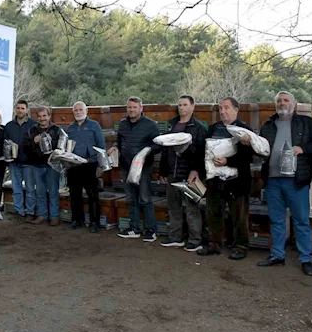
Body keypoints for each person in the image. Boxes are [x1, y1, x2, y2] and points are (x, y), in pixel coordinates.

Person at [256, 91, 312, 276]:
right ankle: (277, 255)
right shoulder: (268, 124)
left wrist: (303, 148)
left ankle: (306, 259)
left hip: (297, 180)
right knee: (276, 219)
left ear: (294, 104)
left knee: (301, 220)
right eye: (279, 101)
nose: (282, 103)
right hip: (273, 180)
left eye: (286, 100)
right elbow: (261, 149)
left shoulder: (306, 123)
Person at [194, 97, 254, 260]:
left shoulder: (244, 130)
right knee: (213, 213)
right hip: (215, 180)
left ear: (236, 110)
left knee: (239, 215)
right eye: (220, 108)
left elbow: (249, 157)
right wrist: (199, 171)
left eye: (226, 108)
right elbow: (203, 151)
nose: (223, 111)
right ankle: (214, 244)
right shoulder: (213, 128)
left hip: (237, 181)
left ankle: (240, 246)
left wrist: (229, 161)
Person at [158, 95, 207, 252]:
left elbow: (202, 153)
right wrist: (163, 170)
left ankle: (195, 240)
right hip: (172, 172)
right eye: (179, 105)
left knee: (192, 208)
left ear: (192, 107)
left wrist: (196, 170)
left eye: (185, 105)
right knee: (173, 207)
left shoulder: (199, 129)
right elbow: (165, 150)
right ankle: (175, 237)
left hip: (190, 175)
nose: (181, 107)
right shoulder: (172, 125)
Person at [114, 97, 161, 242]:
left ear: (141, 108)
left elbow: (158, 145)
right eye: (129, 107)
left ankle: (151, 231)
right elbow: (119, 142)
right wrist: (115, 148)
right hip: (126, 167)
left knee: (145, 199)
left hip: (143, 168)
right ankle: (134, 228)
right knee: (131, 199)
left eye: (134, 107)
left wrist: (147, 150)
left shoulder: (151, 125)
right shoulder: (122, 124)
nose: (131, 110)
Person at [66, 101, 105, 233]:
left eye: (80, 110)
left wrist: (100, 166)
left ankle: (95, 223)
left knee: (92, 195)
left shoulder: (95, 126)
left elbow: (101, 146)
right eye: (75, 110)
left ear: (86, 111)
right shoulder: (70, 128)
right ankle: (77, 220)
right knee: (74, 194)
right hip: (73, 165)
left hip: (91, 164)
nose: (78, 112)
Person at [24, 106, 63, 226]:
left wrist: (53, 142)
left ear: (49, 116)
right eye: (39, 116)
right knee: (40, 192)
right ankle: (42, 215)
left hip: (52, 165)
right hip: (37, 165)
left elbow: (62, 147)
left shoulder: (57, 130)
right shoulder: (32, 130)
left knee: (53, 191)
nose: (42, 119)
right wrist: (33, 142)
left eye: (44, 116)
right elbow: (25, 148)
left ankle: (54, 216)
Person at [4, 100, 37, 218]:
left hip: (29, 162)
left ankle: (30, 211)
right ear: (15, 110)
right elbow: (5, 143)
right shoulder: (9, 126)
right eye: (18, 108)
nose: (20, 110)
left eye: (22, 108)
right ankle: (19, 211)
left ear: (27, 110)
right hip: (14, 162)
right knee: (16, 189)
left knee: (30, 189)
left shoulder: (34, 124)